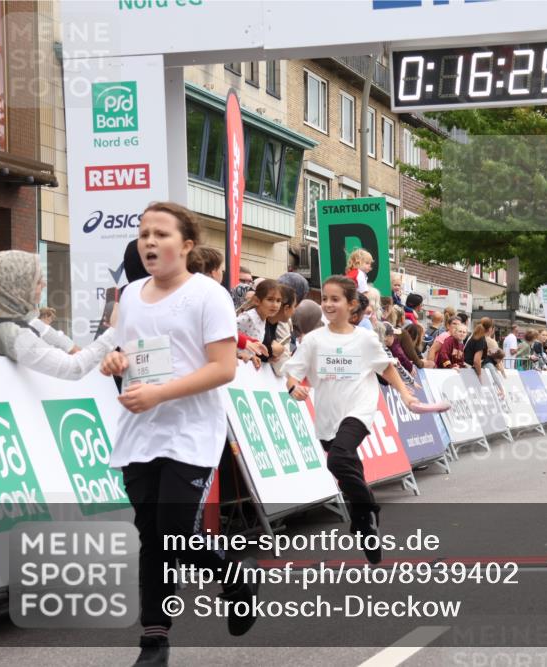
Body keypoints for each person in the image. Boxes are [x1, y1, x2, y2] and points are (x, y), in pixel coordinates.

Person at [98, 202, 259, 665]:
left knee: (173, 531)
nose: (149, 241)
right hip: (139, 431)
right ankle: (154, 641)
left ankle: (231, 571)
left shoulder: (208, 295)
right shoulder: (128, 297)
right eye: (143, 233)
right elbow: (124, 355)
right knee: (151, 536)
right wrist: (116, 362)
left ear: (187, 245)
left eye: (161, 234)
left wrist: (161, 394)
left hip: (189, 431)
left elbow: (224, 368)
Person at [283, 275, 420, 564]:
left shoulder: (365, 338)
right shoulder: (314, 340)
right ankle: (363, 522)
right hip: (328, 415)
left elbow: (387, 369)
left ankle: (368, 508)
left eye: (336, 299)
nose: (329, 304)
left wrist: (407, 396)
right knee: (348, 471)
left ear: (351, 304)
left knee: (338, 460)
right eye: (325, 299)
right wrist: (294, 387)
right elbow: (292, 371)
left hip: (359, 409)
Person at [0, 250, 117, 378]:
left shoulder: (3, 321)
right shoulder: (11, 335)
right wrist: (117, 329)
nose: (44, 284)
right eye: (36, 281)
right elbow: (73, 368)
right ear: (16, 290)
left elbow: (45, 330)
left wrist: (71, 347)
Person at [236, 279, 283, 364]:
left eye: (278, 301)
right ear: (257, 301)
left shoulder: (263, 319)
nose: (275, 305)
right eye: (270, 299)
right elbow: (226, 335)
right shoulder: (248, 318)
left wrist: (252, 356)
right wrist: (237, 354)